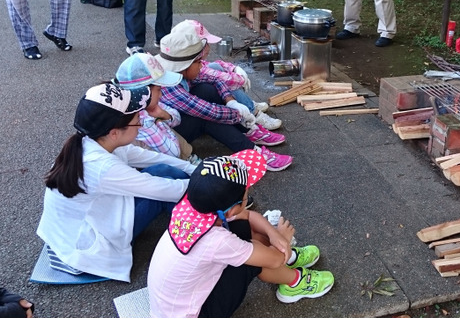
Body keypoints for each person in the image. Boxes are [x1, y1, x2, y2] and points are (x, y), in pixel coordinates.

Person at [36, 83, 195, 282]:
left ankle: (208, 222)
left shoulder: (95, 140)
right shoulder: (101, 167)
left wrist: (193, 170)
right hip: (88, 249)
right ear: (114, 132)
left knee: (162, 171)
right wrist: (210, 182)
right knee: (170, 194)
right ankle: (198, 246)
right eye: (138, 121)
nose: (142, 124)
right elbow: (165, 190)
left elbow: (149, 157)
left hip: (85, 223)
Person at [147, 150, 334, 317]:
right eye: (246, 194)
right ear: (229, 209)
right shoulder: (216, 240)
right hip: (196, 314)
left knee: (243, 229)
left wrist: (274, 235)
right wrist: (283, 238)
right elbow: (273, 260)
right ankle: (294, 283)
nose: (249, 192)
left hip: (173, 304)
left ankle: (288, 256)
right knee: (252, 262)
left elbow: (247, 215)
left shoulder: (195, 207)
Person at [154, 21, 293, 172]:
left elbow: (214, 79)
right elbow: (209, 112)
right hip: (168, 139)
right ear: (185, 65)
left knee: (207, 89)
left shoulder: (179, 71)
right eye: (199, 62)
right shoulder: (169, 87)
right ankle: (255, 154)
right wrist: (239, 114)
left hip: (176, 121)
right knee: (207, 119)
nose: (202, 65)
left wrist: (231, 101)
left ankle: (248, 131)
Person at [189, 19, 282, 130]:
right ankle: (254, 113)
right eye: (205, 43)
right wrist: (241, 79)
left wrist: (234, 68)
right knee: (228, 83)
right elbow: (220, 78)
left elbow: (214, 65)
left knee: (216, 68)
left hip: (198, 94)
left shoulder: (191, 59)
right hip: (197, 100)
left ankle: (247, 103)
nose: (208, 46)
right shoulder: (192, 65)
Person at [114, 52, 201, 164]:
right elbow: (174, 152)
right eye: (159, 90)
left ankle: (189, 157)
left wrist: (162, 114)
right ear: (144, 92)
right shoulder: (141, 120)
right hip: (159, 167)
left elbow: (177, 117)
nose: (161, 95)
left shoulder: (142, 103)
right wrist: (158, 120)